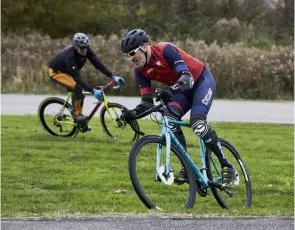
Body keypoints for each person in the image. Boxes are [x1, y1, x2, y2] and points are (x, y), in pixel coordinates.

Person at [120, 29, 235, 188]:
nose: (131, 58)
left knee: (198, 124)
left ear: (145, 46)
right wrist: (132, 114)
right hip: (182, 90)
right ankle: (187, 168)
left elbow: (187, 78)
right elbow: (146, 103)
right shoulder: (140, 71)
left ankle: (227, 166)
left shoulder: (166, 50)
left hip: (201, 82)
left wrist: (171, 91)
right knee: (169, 119)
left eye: (132, 53)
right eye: (127, 55)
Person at [48, 32, 124, 122]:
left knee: (80, 94)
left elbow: (98, 64)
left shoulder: (87, 50)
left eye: (86, 47)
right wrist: (93, 91)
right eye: (82, 48)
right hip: (57, 72)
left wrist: (112, 76)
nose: (84, 50)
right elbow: (77, 78)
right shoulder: (70, 56)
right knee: (77, 88)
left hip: (68, 71)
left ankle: (80, 119)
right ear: (75, 47)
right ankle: (76, 115)